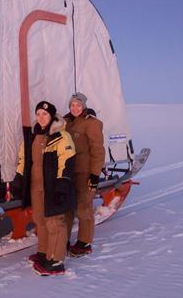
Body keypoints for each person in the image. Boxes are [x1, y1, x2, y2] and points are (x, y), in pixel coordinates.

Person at [14, 100, 76, 276]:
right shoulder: (33, 136)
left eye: (45, 114)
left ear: (52, 116)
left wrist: (62, 185)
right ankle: (44, 252)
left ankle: (56, 261)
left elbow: (67, 161)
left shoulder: (61, 136)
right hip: (36, 186)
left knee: (55, 222)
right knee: (40, 220)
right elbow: (23, 159)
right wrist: (18, 179)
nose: (41, 117)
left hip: (53, 186)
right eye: (39, 114)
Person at [64, 92, 104, 257]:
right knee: (66, 208)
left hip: (85, 172)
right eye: (72, 105)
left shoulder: (91, 124)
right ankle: (63, 240)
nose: (75, 108)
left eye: (78, 105)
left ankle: (84, 242)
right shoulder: (66, 122)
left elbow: (98, 151)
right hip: (68, 172)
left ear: (84, 106)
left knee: (83, 207)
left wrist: (95, 175)